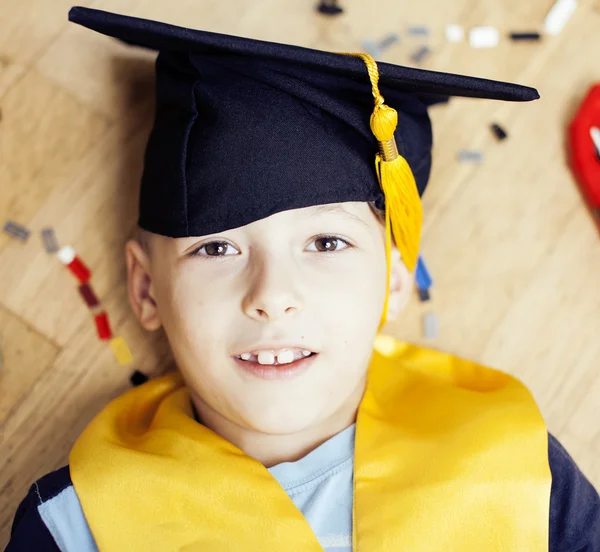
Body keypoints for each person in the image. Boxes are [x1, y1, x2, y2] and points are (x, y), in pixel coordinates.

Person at [5, 6, 600, 552]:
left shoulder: (517, 467)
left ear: (395, 279)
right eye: (216, 246)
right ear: (144, 289)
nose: (272, 296)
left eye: (326, 242)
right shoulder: (77, 526)